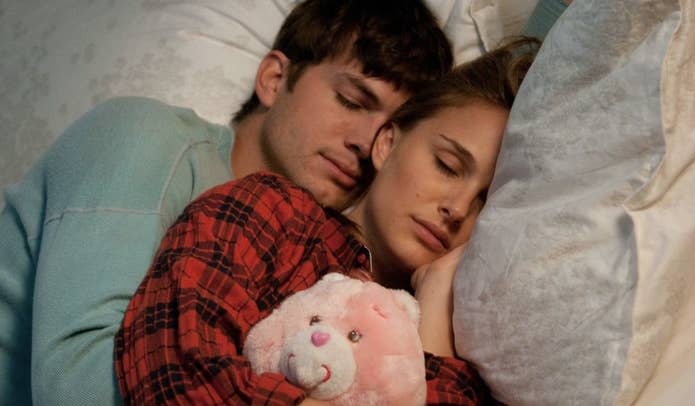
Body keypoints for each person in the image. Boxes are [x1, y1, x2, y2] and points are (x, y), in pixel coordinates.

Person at [0, 1, 453, 405]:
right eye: (350, 100)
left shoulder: (323, 266)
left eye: (386, 135)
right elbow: (74, 386)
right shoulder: (147, 136)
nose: (363, 141)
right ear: (274, 80)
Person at [115, 38, 539, 405]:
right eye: (447, 165)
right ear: (387, 143)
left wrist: (431, 328)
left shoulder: (467, 345)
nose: (459, 207)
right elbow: (177, 376)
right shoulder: (270, 214)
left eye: (487, 202)